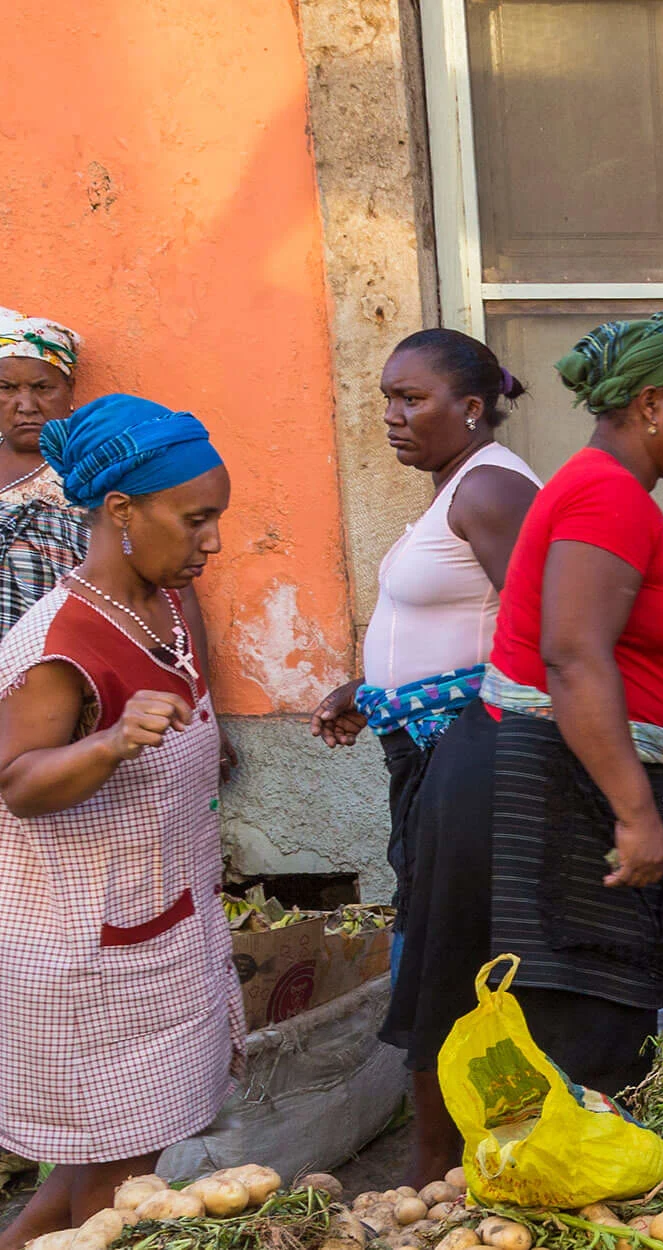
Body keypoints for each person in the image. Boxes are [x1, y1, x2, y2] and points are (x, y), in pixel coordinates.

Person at [381, 312, 663, 1101]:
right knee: (570, 1038)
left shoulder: (608, 490)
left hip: (540, 772)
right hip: (541, 786)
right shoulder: (605, 497)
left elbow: (612, 655)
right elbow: (573, 656)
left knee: (554, 1038)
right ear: (650, 405)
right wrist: (635, 812)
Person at [0, 396, 233, 1245]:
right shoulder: (59, 641)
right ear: (122, 512)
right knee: (114, 1199)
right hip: (87, 957)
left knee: (91, 1180)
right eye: (197, 520)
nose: (211, 541)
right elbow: (17, 782)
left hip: (154, 929)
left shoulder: (164, 605)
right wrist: (109, 747)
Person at [311, 329, 539, 1184]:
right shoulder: (457, 487)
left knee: (442, 952)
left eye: (412, 400)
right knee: (437, 942)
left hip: (468, 758)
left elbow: (539, 631)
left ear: (471, 408)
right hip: (428, 746)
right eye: (386, 401)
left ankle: (441, 1161)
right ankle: (454, 1155)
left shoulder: (489, 489)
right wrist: (366, 690)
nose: (392, 419)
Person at [0, 310, 90, 637]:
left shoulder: (91, 473)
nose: (26, 405)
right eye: (6, 387)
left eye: (42, 387)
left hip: (56, 665)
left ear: (70, 390)